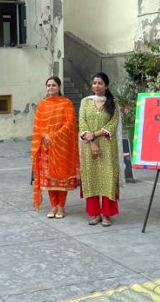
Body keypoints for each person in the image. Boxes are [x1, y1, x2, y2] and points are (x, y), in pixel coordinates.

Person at [31, 76, 79, 218]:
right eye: (48, 85)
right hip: (46, 148)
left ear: (59, 87)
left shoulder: (66, 103)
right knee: (50, 180)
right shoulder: (42, 105)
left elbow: (70, 124)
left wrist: (53, 136)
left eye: (53, 85)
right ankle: (53, 207)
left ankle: (61, 207)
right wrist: (43, 138)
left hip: (62, 146)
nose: (50, 88)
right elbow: (37, 126)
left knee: (61, 179)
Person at [79, 72, 120, 227]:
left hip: (107, 147)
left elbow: (112, 125)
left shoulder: (113, 103)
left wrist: (94, 135)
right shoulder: (85, 102)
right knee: (92, 177)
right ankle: (95, 214)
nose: (97, 86)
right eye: (94, 83)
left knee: (108, 179)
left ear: (106, 86)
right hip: (89, 147)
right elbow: (82, 123)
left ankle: (107, 214)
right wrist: (92, 142)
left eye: (100, 83)